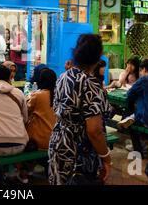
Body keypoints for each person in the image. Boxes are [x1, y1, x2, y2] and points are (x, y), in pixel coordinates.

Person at [48, 34, 112, 185]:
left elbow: (57, 110)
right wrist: (106, 157)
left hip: (58, 143)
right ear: (97, 58)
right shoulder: (91, 84)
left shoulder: (63, 77)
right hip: (78, 151)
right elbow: (94, 130)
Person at [17, 68, 57, 183]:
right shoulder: (58, 95)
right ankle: (30, 167)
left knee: (19, 138)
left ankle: (23, 172)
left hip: (39, 140)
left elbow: (25, 111)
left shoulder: (38, 95)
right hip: (55, 139)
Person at [117, 59, 148, 158]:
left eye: (140, 70)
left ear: (144, 70)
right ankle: (132, 118)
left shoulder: (144, 79)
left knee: (129, 120)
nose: (140, 73)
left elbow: (129, 94)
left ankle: (138, 150)